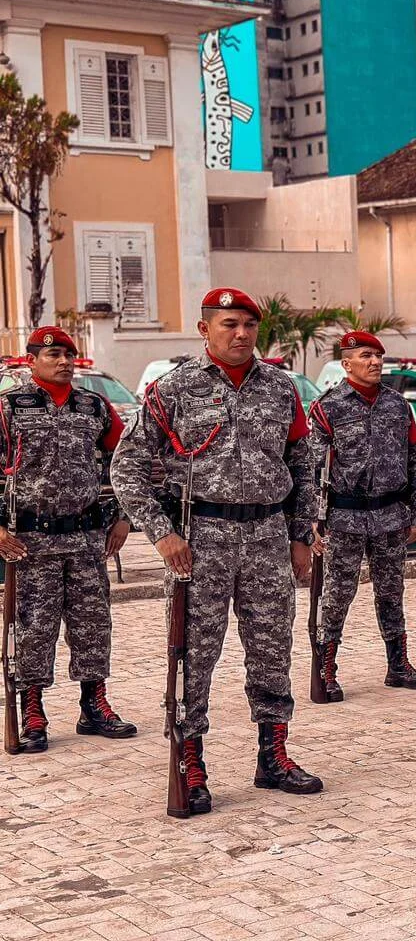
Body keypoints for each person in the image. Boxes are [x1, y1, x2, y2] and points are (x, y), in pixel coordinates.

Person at [111, 287, 322, 813]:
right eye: (229, 324)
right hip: (198, 542)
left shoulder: (280, 388)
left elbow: (305, 462)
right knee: (193, 658)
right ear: (204, 329)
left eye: (249, 325)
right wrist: (161, 533)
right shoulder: (173, 389)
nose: (241, 334)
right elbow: (126, 467)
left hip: (269, 539)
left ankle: (273, 756)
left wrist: (301, 534)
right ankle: (191, 763)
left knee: (273, 652)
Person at [0, 327, 134, 754]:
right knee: (34, 628)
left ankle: (94, 704)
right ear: (32, 359)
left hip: (87, 537)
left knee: (93, 624)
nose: (63, 361)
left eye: (69, 354)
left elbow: (125, 459)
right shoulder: (8, 408)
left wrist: (122, 517)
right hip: (31, 541)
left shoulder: (93, 406)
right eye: (53, 354)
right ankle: (33, 709)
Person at [308, 331, 416, 701]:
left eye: (379, 356)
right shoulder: (327, 408)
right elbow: (313, 468)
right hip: (345, 517)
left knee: (392, 592)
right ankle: (325, 670)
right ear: (347, 363)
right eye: (366, 355)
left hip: (391, 515)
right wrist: (312, 520)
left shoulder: (398, 405)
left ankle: (398, 665)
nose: (376, 362)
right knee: (336, 596)